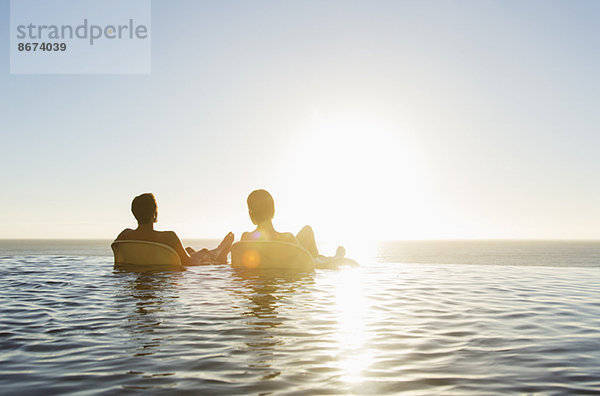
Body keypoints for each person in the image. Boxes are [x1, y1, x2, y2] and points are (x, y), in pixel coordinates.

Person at [115, 193, 234, 265]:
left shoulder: (124, 236)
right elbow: (188, 264)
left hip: (142, 269)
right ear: (154, 214)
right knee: (202, 252)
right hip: (172, 269)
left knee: (189, 250)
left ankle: (216, 251)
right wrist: (203, 255)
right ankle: (217, 251)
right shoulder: (168, 237)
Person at [241, 189, 351, 266]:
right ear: (273, 211)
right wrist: (338, 260)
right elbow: (311, 265)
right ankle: (337, 256)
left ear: (251, 214)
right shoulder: (288, 239)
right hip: (299, 258)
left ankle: (331, 256)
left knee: (307, 231)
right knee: (308, 232)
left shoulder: (246, 239)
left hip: (272, 262)